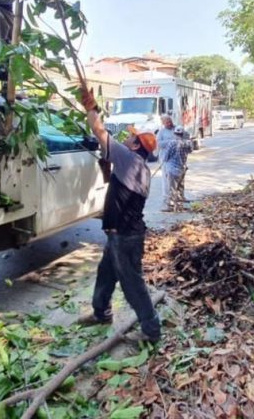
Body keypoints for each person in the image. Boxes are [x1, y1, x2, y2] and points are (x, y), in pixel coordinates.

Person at [75, 87, 161, 343]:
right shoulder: (139, 167)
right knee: (106, 273)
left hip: (125, 237)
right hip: (121, 235)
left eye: (130, 136)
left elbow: (99, 131)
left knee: (132, 285)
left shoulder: (128, 158)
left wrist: (91, 109)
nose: (126, 137)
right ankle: (101, 312)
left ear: (135, 146)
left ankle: (151, 330)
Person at [156, 114, 176, 206]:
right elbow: (159, 144)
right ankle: (167, 198)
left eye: (170, 121)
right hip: (165, 159)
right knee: (166, 179)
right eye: (167, 122)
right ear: (163, 123)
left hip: (176, 158)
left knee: (177, 178)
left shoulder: (176, 129)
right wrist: (170, 142)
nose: (169, 123)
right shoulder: (161, 132)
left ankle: (178, 196)